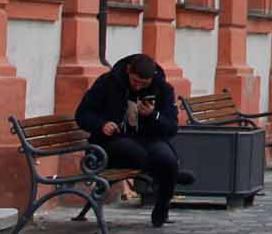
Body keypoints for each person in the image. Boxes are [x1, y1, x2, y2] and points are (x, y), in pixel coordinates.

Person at [74, 53, 193, 227]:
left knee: (168, 160)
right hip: (109, 143)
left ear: (151, 79)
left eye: (143, 84)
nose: (137, 87)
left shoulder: (162, 89)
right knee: (134, 152)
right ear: (128, 70)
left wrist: (154, 115)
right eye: (134, 81)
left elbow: (171, 127)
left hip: (147, 140)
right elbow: (82, 114)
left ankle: (161, 207)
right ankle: (170, 176)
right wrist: (101, 124)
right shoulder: (108, 83)